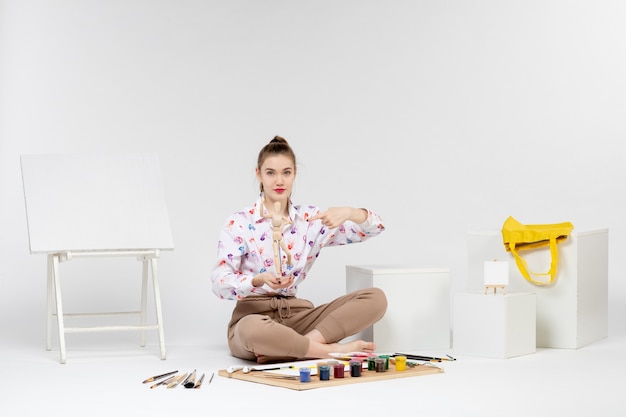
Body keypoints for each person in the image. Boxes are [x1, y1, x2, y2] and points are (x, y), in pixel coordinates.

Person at [210, 135, 387, 363]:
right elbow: (218, 282)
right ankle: (328, 351)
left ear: (295, 174)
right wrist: (257, 280)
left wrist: (350, 212)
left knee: (376, 298)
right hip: (254, 316)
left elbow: (375, 227)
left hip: (298, 317)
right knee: (250, 330)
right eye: (270, 173)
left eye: (286, 172)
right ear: (259, 175)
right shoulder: (240, 222)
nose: (279, 181)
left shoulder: (310, 220)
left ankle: (299, 346)